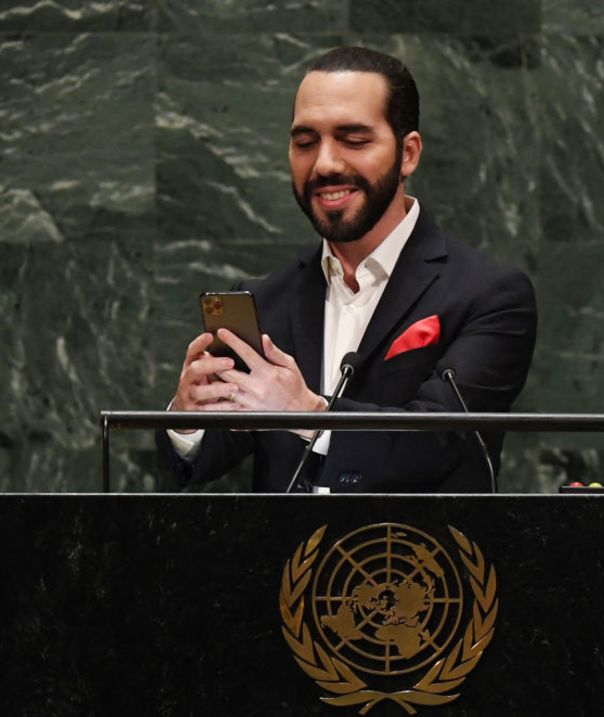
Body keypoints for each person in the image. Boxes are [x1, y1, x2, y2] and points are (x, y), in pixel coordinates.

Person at [156, 46, 537, 493]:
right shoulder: (267, 300)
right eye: (305, 142)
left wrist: (309, 416)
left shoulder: (490, 295)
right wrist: (188, 418)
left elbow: (441, 440)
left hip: (421, 557)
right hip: (284, 562)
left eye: (354, 140)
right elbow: (202, 462)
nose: (325, 164)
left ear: (408, 154)